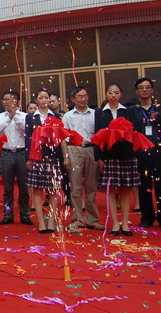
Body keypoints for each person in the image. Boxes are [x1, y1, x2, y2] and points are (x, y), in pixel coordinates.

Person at [94, 83, 138, 236]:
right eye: (110, 92)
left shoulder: (128, 111)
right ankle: (114, 224)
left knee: (126, 189)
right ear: (106, 94)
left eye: (116, 92)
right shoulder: (100, 113)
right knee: (111, 190)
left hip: (126, 154)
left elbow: (134, 133)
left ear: (121, 94)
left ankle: (125, 223)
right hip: (109, 155)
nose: (113, 95)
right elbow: (97, 136)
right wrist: (98, 157)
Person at [25, 89, 68, 233]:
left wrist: (65, 156)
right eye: (40, 97)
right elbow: (28, 139)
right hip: (36, 157)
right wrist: (28, 158)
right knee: (37, 190)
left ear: (49, 100)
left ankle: (51, 221)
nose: (43, 100)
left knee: (53, 190)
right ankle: (41, 223)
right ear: (36, 100)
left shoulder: (56, 116)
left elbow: (61, 138)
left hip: (53, 157)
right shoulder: (30, 117)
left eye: (46, 98)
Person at [62, 86, 103, 230]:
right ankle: (78, 219)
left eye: (85, 96)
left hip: (91, 150)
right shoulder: (68, 116)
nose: (83, 99)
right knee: (76, 187)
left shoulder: (95, 114)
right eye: (80, 96)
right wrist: (66, 157)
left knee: (92, 186)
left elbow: (100, 135)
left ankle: (93, 220)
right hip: (74, 150)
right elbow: (63, 138)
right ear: (73, 99)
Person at [0, 91, 33, 226]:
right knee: (8, 187)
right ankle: (8, 214)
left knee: (23, 186)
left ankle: (25, 214)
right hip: (6, 153)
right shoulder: (0, 116)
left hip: (22, 153)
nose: (4, 102)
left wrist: (15, 116)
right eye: (3, 100)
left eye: (7, 99)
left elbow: (27, 131)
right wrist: (8, 118)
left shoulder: (25, 116)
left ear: (15, 101)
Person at [132, 78, 161, 228]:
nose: (144, 90)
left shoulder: (158, 109)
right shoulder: (132, 111)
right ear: (137, 91)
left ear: (152, 90)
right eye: (141, 88)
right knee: (144, 185)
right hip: (141, 152)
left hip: (158, 150)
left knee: (160, 184)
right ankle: (147, 217)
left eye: (147, 87)